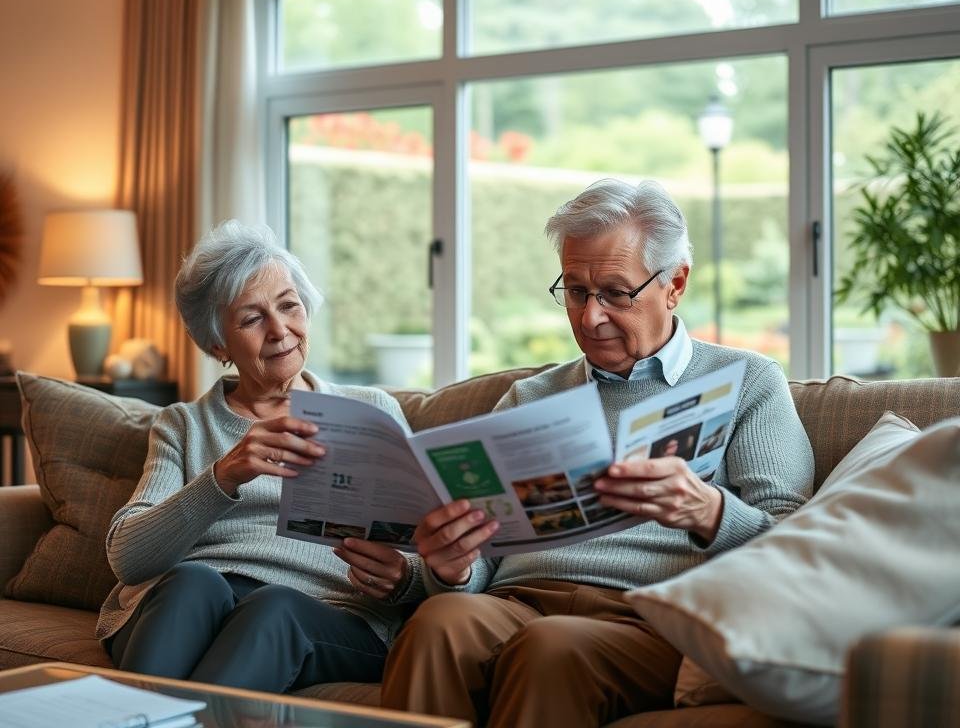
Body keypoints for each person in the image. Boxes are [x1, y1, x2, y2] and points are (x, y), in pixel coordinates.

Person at [380, 178, 815, 727]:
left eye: (615, 292)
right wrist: (453, 568)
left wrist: (708, 511)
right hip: (517, 601)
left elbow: (798, 543)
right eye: (577, 291)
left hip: (651, 616)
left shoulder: (747, 380)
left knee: (550, 648)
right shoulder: (532, 395)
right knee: (439, 620)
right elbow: (481, 555)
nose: (590, 318)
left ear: (674, 284)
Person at [96, 220, 423, 692]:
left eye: (289, 306)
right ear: (217, 344)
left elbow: (425, 551)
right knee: (194, 581)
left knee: (274, 607)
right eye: (252, 319)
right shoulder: (184, 425)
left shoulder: (370, 412)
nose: (279, 330)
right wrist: (224, 475)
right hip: (190, 603)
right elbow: (128, 559)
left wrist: (402, 578)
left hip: (324, 612)